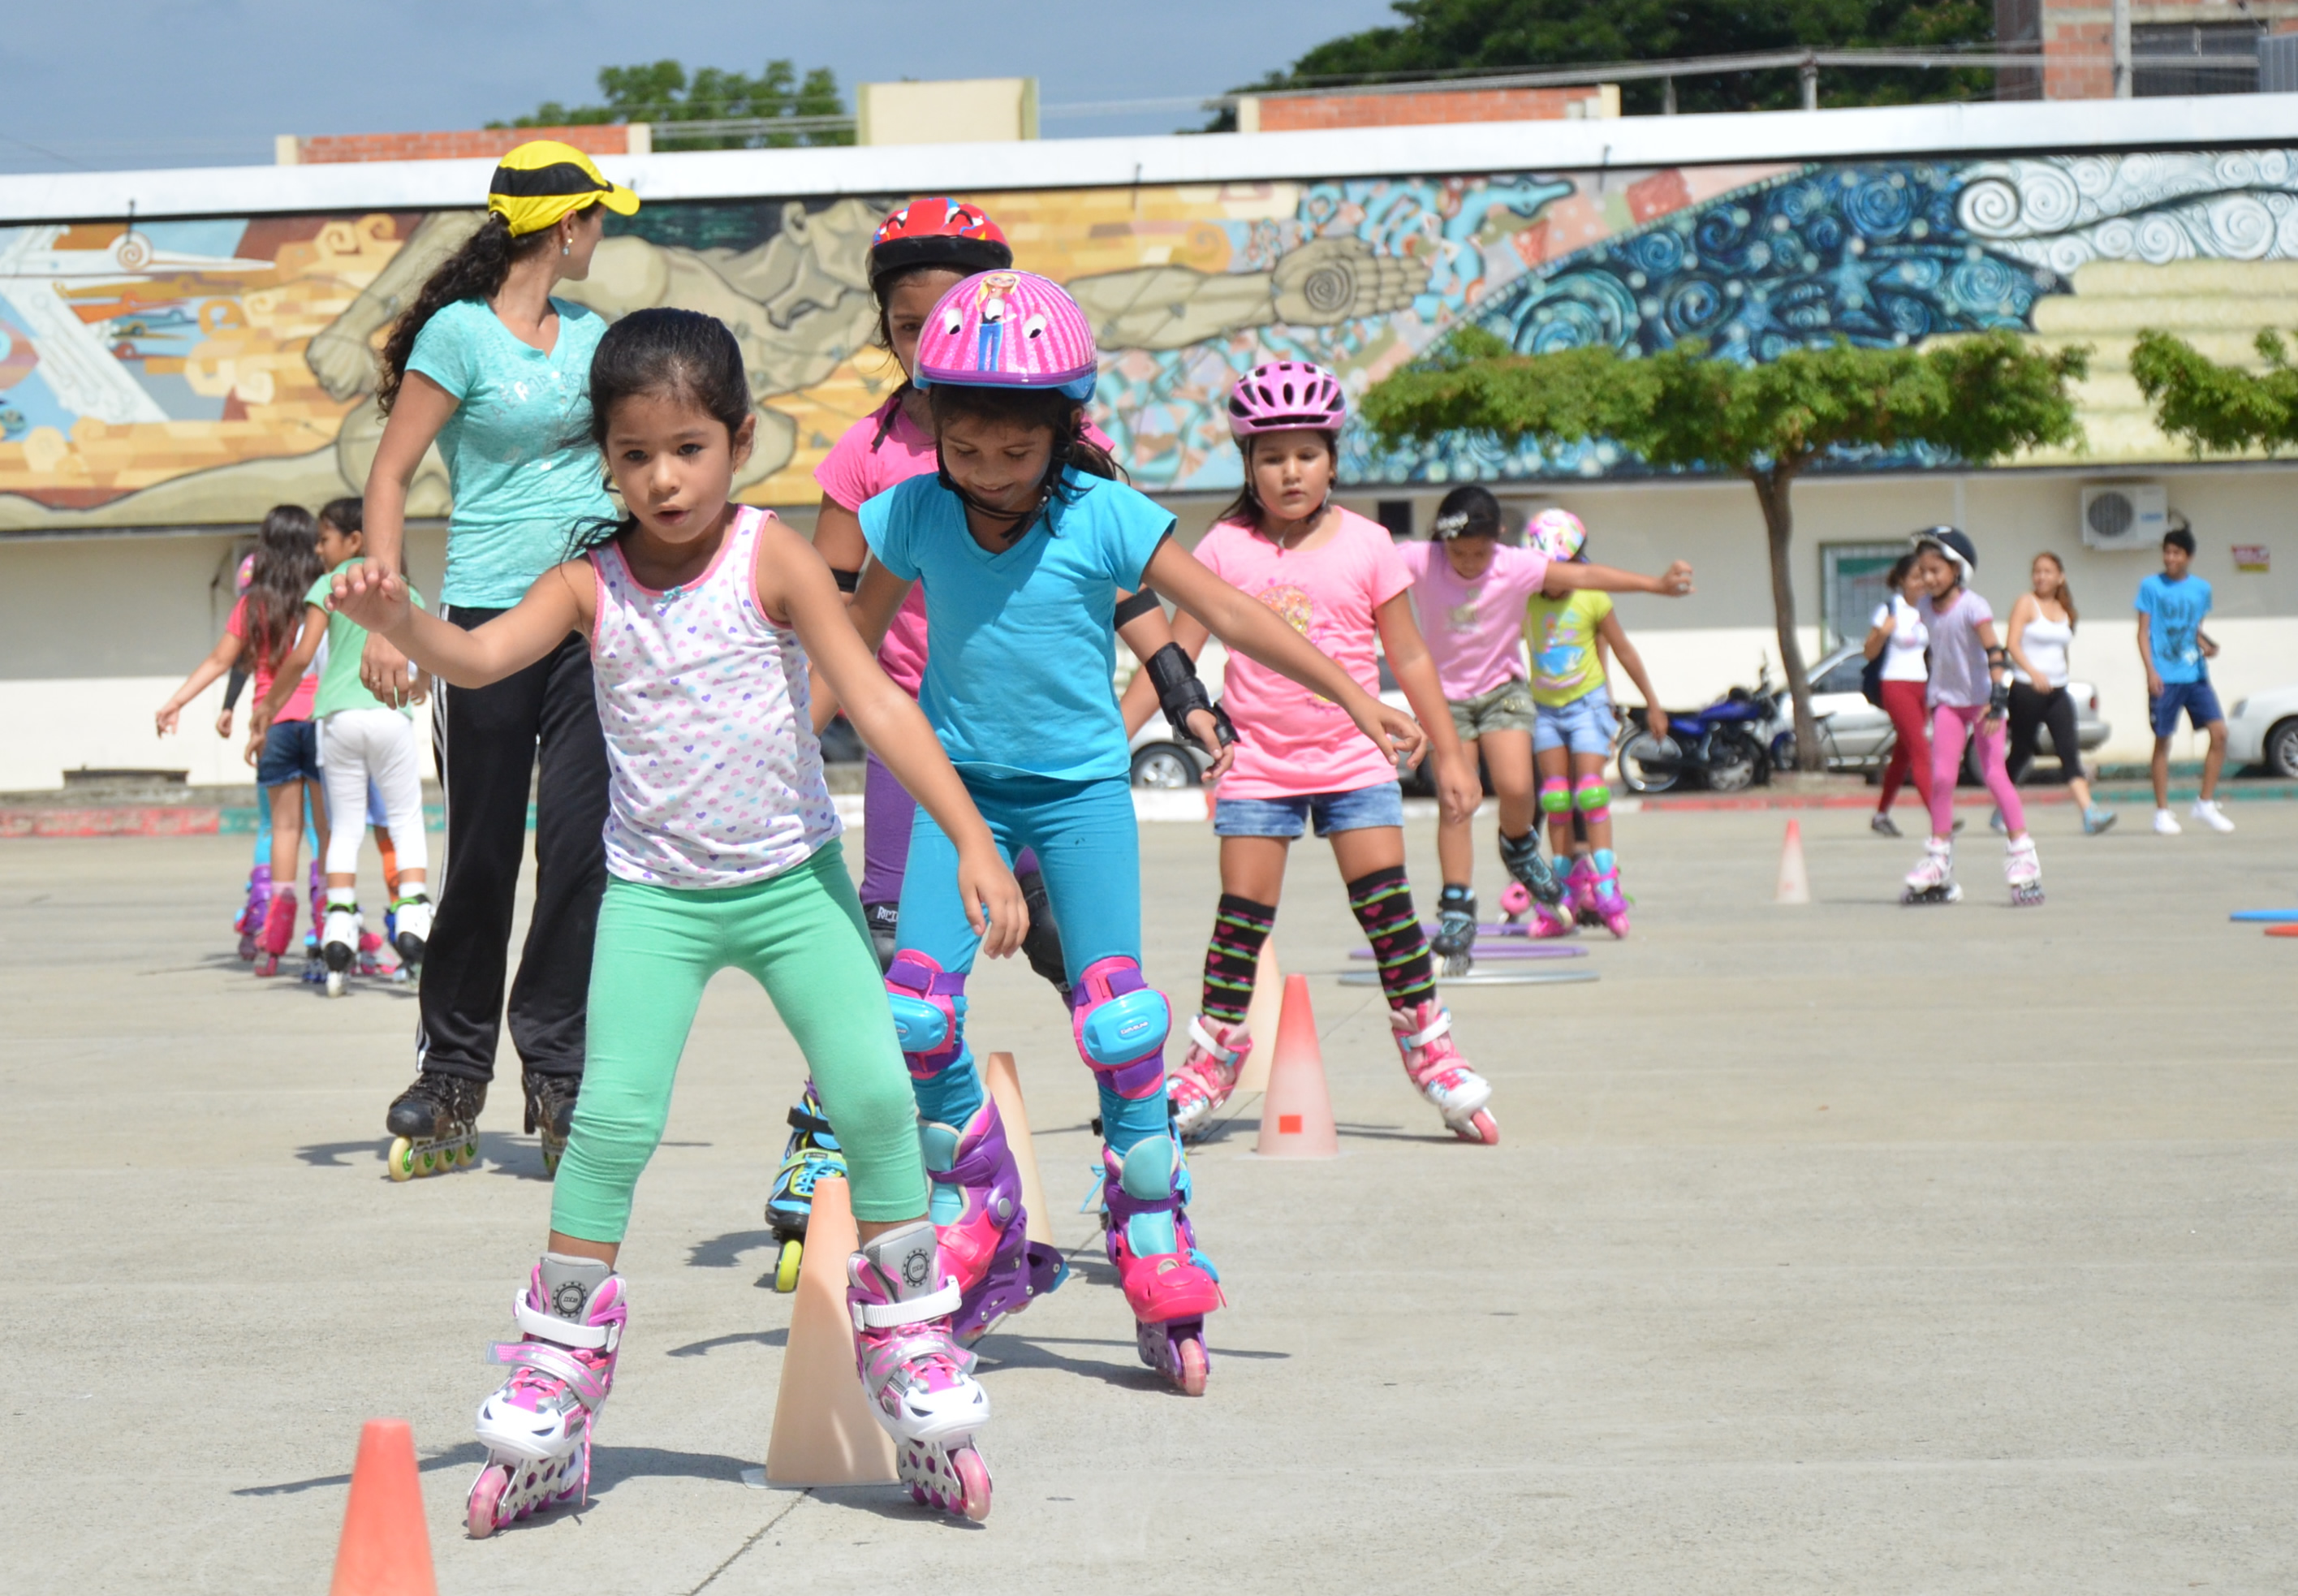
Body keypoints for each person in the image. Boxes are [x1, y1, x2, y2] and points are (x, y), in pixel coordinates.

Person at [334, 307, 1022, 1529]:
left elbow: (874, 698)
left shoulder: (773, 556)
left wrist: (970, 838)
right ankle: (554, 1369)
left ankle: (910, 1341)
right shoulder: (583, 583)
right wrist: (400, 626)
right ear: (603, 458)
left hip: (789, 884)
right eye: (637, 452)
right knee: (608, 1123)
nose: (664, 476)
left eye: (690, 447)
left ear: (738, 440)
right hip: (655, 898)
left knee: (871, 1097)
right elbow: (481, 658)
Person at [845, 286, 1422, 1395]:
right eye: (961, 446)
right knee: (915, 1007)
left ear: (1064, 431)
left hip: (1076, 798)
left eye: (1016, 450)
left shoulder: (1102, 515)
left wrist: (1356, 696)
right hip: (955, 789)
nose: (988, 472)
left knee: (1116, 1018)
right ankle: (981, 1198)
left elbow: (1238, 615)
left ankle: (1149, 1228)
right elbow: (850, 639)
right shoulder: (913, 511)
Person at [783, 198, 1224, 1292]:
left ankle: (1144, 1182)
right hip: (918, 736)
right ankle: (848, 1147)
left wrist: (1175, 681)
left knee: (1101, 995)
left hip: (1060, 757)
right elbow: (844, 614)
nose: (984, 459)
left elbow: (1119, 586)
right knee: (897, 967)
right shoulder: (864, 456)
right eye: (903, 324)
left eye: (943, 314)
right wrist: (788, 730)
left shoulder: (1066, 447)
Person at [1132, 360, 1522, 1151]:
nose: (1289, 472)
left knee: (1387, 915)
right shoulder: (1222, 546)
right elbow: (1175, 651)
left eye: (1305, 454)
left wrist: (1449, 753)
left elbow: (1408, 657)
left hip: (1353, 757)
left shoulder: (1371, 544)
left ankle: (1429, 1047)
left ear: (1332, 459)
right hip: (1260, 761)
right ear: (1247, 464)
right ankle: (1211, 1058)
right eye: (1270, 457)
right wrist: (1110, 735)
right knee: (1239, 921)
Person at [356, 141, 635, 1172]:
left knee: (580, 851)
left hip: (586, 622)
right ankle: (453, 1073)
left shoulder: (597, 337)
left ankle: (557, 1071)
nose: (603, 236)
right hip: (479, 623)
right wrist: (392, 616)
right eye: (598, 219)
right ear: (564, 226)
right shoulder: (459, 335)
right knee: (480, 850)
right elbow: (388, 478)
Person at [1398, 486, 1691, 969]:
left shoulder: (1514, 565)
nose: (1470, 564)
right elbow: (1359, 558)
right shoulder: (1418, 559)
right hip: (1444, 698)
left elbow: (1586, 574)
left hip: (1503, 692)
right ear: (1440, 542)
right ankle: (1457, 905)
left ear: (1500, 540)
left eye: (1480, 553)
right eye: (1459, 553)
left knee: (1517, 788)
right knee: (1458, 799)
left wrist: (1655, 585)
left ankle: (1519, 848)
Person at [252, 498, 435, 996]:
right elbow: (423, 661)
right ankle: (414, 915)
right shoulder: (407, 588)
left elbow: (301, 656)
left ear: (355, 540)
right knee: (404, 818)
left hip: (336, 717)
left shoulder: (329, 586)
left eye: (325, 537)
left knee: (344, 826)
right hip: (389, 716)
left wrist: (269, 707)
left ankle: (338, 928)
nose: (318, 547)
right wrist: (420, 688)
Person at [160, 506, 329, 975]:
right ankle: (327, 934)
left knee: (283, 831)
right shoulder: (326, 597)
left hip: (271, 725)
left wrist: (177, 701)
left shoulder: (253, 605)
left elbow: (219, 661)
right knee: (327, 834)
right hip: (322, 723)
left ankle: (273, 943)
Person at [1521, 510, 1673, 938]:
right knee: (1555, 801)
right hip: (1545, 709)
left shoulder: (1592, 598)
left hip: (1587, 705)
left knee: (1590, 792)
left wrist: (1653, 704)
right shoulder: (1525, 599)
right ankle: (1562, 897)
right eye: (1549, 569)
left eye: (1566, 567)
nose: (1557, 578)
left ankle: (1607, 891)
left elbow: (1623, 650)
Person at [1899, 528, 2042, 905]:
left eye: (1935, 570)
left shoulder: (1974, 606)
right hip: (1947, 701)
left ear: (1957, 569)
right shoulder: (1926, 609)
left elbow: (1995, 651)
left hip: (1982, 702)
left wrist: (1998, 699)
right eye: (1923, 571)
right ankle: (1938, 861)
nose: (1928, 578)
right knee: (1942, 778)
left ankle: (2023, 855)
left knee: (1995, 773)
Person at [2006, 550, 2115, 835]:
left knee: (2069, 752)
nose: (2041, 577)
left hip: (2058, 691)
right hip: (2027, 690)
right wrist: (2034, 673)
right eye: (2037, 571)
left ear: (2060, 577)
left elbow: (2060, 650)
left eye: (2047, 571)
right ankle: (2003, 806)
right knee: (2022, 752)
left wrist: (2058, 676)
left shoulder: (2066, 610)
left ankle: (2090, 813)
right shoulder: (2026, 604)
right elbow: (2012, 644)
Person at [2136, 522, 2233, 835]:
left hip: (2195, 675)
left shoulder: (2202, 589)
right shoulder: (2151, 586)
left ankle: (2205, 803)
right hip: (2165, 676)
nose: (2170, 558)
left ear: (2188, 556)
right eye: (2166, 552)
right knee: (2164, 740)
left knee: (2219, 734)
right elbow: (2143, 632)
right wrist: (2151, 670)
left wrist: (2206, 645)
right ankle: (2162, 812)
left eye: (2176, 553)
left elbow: (2195, 629)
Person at [1863, 553, 1937, 838]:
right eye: (1917, 577)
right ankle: (1940, 817)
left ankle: (1881, 815)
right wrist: (1883, 633)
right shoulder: (1890, 609)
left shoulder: (1930, 609)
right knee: (1921, 750)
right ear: (1903, 581)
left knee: (1904, 755)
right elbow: (1869, 652)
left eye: (1926, 576)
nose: (1923, 583)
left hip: (1922, 687)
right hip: (1895, 685)